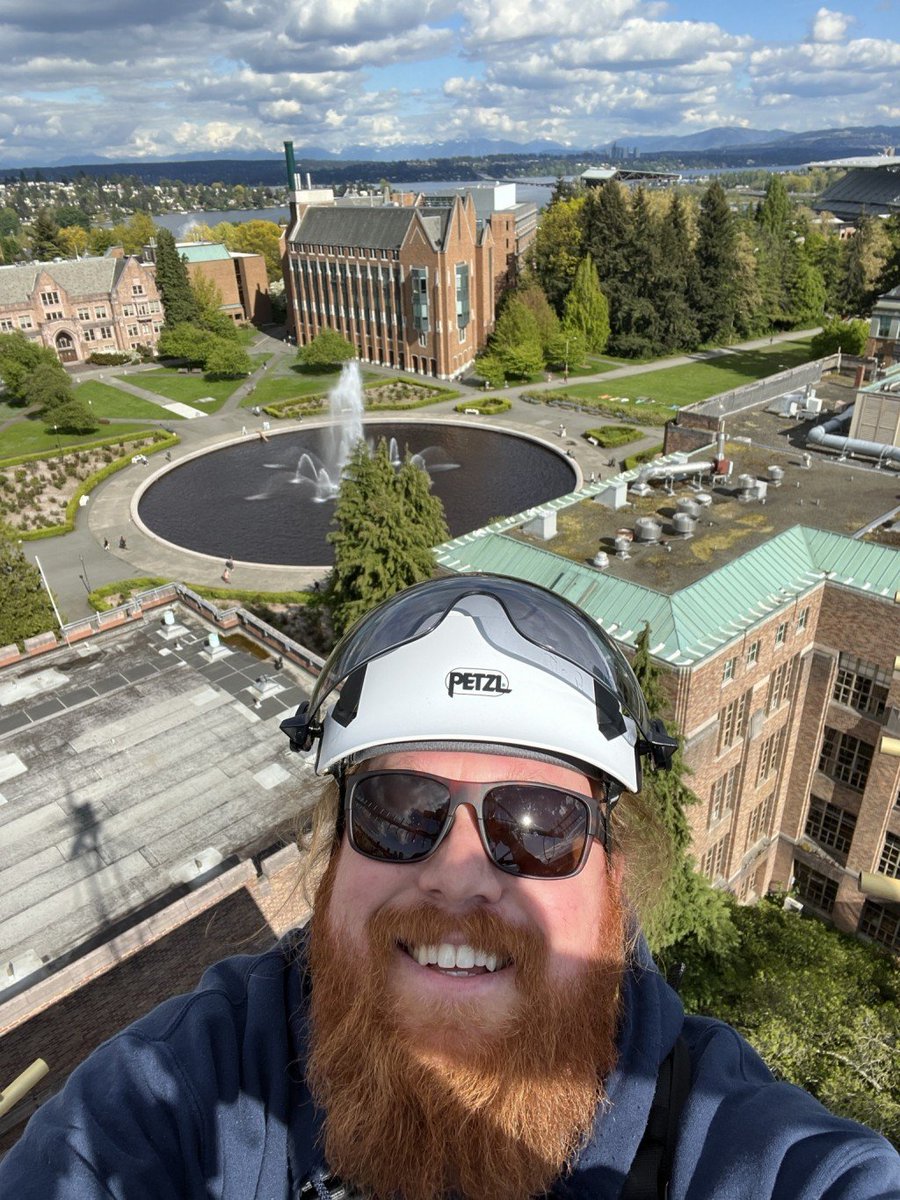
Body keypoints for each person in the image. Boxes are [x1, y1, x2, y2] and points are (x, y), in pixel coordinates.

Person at [1, 575, 897, 1200]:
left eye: (538, 825)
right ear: (331, 861)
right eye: (400, 810)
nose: (458, 871)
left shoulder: (731, 1143)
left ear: (614, 880)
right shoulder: (186, 1092)